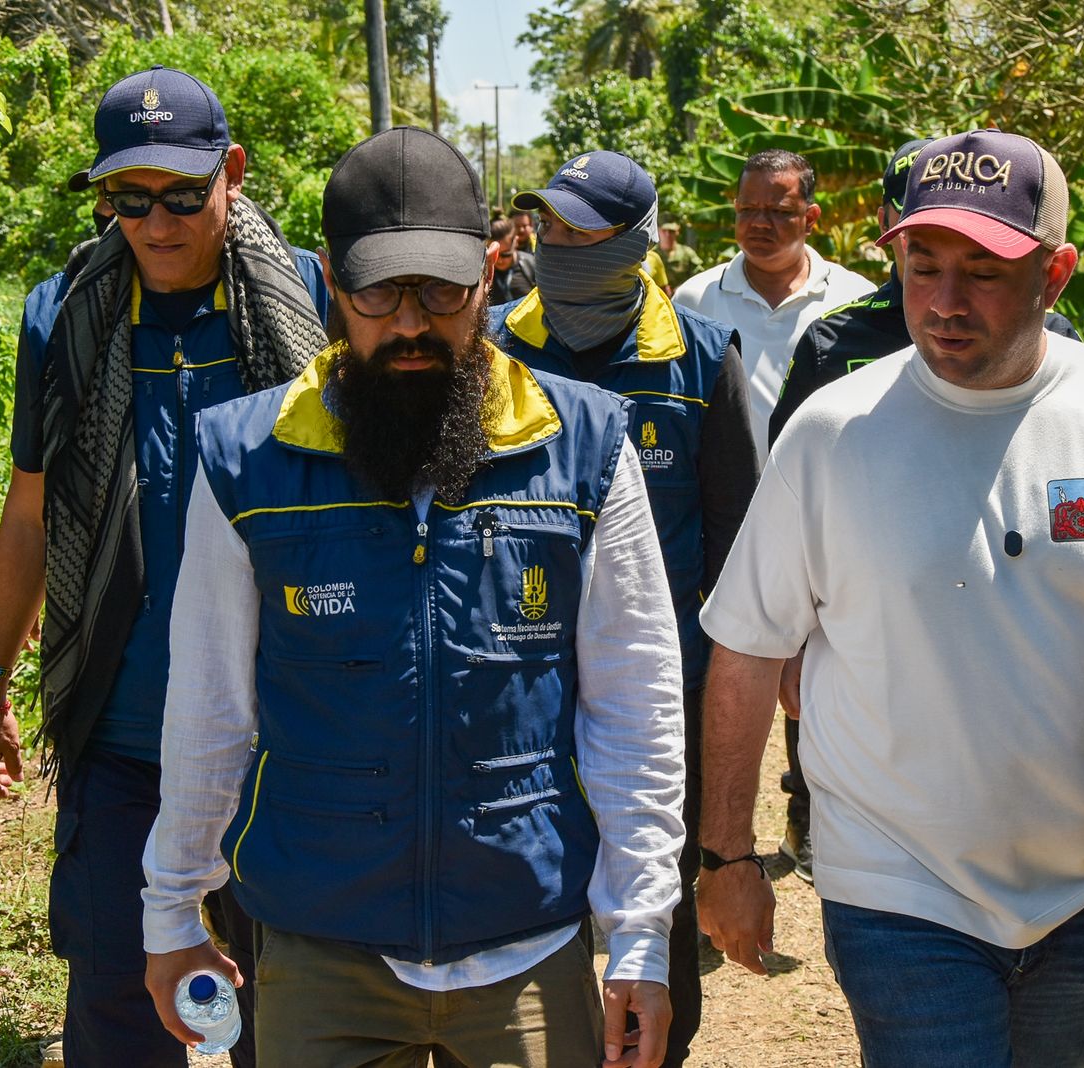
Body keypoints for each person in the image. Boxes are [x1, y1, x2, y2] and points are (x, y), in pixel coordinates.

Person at [696, 129, 1084, 1068]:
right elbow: (747, 646)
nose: (943, 302)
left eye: (983, 273)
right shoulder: (833, 433)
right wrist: (728, 855)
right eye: (922, 267)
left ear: (1056, 275)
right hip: (896, 886)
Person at [141, 126, 686, 1068]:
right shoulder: (243, 459)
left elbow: (634, 705)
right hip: (320, 946)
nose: (408, 324)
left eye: (441, 291)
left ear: (490, 270)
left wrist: (641, 933)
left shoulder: (588, 447)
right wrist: (172, 908)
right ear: (329, 280)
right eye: (377, 293)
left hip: (528, 944)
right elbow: (209, 709)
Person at [0, 66, 330, 1065]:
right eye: (129, 198)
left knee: (291, 1016)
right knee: (121, 1008)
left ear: (232, 172)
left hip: (286, 733)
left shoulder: (311, 298)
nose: (156, 223)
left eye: (181, 193)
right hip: (124, 730)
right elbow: (31, 513)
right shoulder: (62, 317)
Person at [488, 149, 759, 1068]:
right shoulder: (495, 347)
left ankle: (656, 1050)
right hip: (518, 682)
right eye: (549, 227)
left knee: (657, 886)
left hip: (661, 687)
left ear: (637, 243)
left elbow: (736, 542)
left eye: (583, 233)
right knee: (532, 879)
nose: (556, 246)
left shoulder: (701, 357)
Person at [764, 138, 1084, 883]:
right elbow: (788, 498)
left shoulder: (1055, 342)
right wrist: (790, 633)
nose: (949, 304)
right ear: (890, 225)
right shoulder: (836, 341)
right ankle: (816, 817)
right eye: (924, 250)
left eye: (982, 268)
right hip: (858, 597)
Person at [672, 148, 873, 448]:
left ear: (810, 218)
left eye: (779, 212)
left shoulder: (855, 298)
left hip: (828, 476)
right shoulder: (695, 300)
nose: (760, 223)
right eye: (748, 209)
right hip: (728, 479)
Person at [488, 214, 536, 304]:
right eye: (494, 256)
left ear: (515, 242)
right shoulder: (483, 272)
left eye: (506, 254)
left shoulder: (531, 264)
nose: (499, 260)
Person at [658, 222, 701, 291]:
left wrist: (682, 287)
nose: (667, 235)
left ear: (677, 232)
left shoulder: (687, 253)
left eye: (671, 231)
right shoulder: (651, 254)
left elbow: (699, 277)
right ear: (658, 231)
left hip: (683, 293)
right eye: (664, 231)